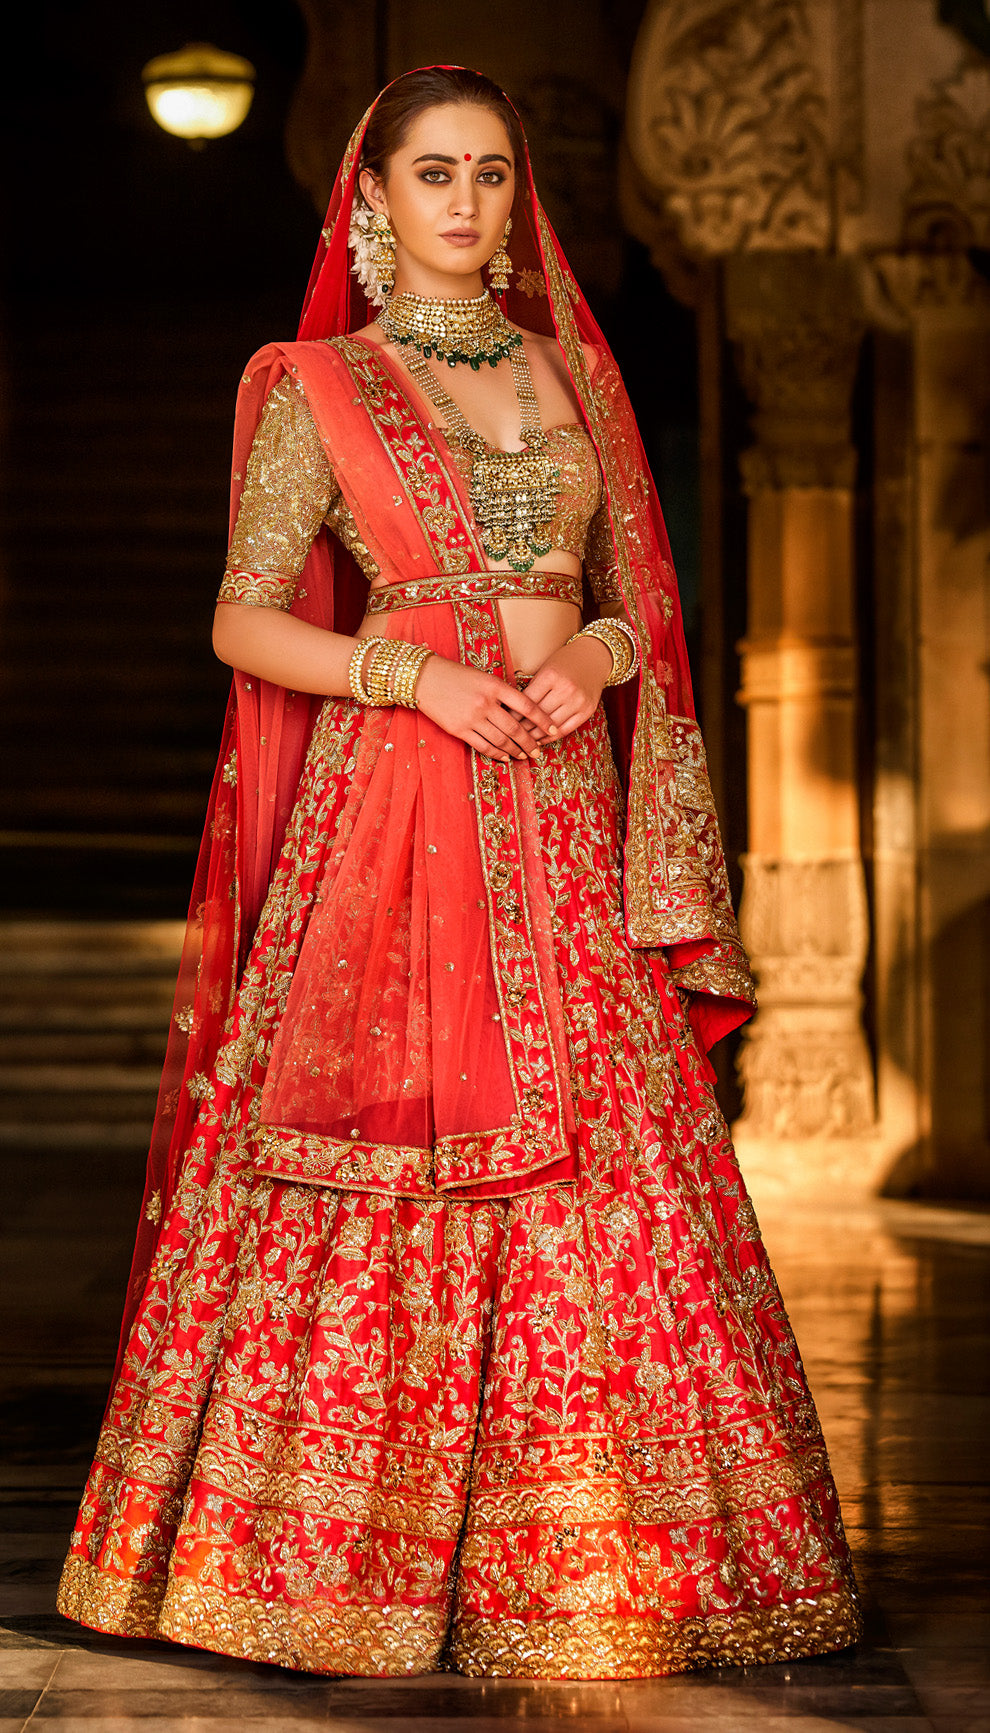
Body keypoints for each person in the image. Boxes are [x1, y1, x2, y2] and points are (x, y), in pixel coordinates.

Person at [57, 66, 861, 1680]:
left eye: (491, 173)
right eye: (433, 172)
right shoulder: (313, 380)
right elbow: (240, 612)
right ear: (371, 199)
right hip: (399, 802)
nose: (466, 202)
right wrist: (412, 678)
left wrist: (607, 654)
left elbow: (637, 588)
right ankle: (315, 1551)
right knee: (389, 1130)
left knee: (605, 1146)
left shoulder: (571, 376)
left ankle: (599, 1558)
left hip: (557, 803)